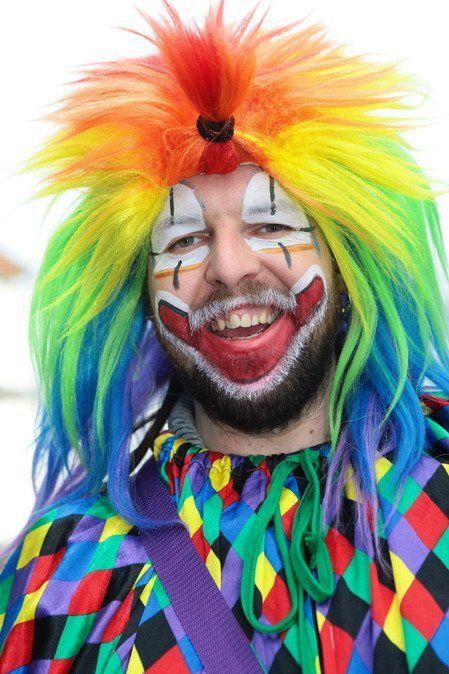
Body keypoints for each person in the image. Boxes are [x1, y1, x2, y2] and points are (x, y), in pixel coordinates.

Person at [1, 2, 449, 672]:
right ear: (142, 296)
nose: (231, 267)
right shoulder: (65, 571)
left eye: (271, 225)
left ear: (345, 263)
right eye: (183, 239)